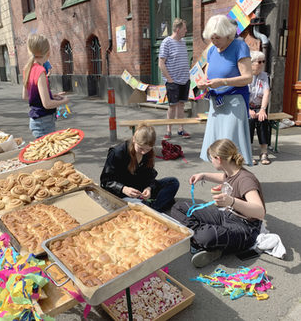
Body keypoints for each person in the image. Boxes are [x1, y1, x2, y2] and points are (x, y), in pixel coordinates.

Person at [171, 139, 265, 268]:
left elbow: (260, 212)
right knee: (179, 207)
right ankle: (204, 240)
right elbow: (223, 178)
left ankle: (203, 239)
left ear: (218, 159)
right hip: (226, 216)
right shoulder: (231, 171)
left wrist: (231, 201)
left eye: (211, 159)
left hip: (245, 228)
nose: (211, 161)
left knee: (207, 236)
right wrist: (203, 175)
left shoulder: (246, 180)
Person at [197, 14, 253, 166]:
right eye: (212, 38)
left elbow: (248, 78)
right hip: (216, 104)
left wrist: (223, 81)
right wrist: (204, 83)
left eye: (217, 38)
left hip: (234, 103)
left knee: (231, 144)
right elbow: (207, 76)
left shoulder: (239, 46)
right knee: (217, 146)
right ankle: (225, 180)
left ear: (228, 34)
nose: (214, 42)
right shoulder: (212, 51)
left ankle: (234, 182)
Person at [100, 124, 179, 212]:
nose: (143, 152)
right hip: (121, 192)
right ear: (134, 139)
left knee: (173, 182)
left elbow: (150, 175)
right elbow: (105, 181)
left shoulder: (148, 153)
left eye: (147, 149)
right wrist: (123, 188)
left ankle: (152, 207)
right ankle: (154, 206)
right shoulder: (118, 152)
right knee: (166, 200)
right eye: (140, 148)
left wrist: (149, 188)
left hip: (138, 189)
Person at [22, 34, 68, 138]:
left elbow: (26, 96)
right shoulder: (40, 71)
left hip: (36, 121)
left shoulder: (27, 68)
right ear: (48, 53)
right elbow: (47, 104)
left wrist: (51, 95)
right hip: (44, 122)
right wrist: (64, 101)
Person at [159, 18, 191, 140]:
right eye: (184, 29)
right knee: (172, 105)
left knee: (181, 105)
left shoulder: (182, 42)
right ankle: (168, 130)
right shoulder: (166, 42)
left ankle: (181, 129)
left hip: (184, 79)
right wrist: (169, 79)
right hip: (173, 81)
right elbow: (161, 63)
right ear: (178, 30)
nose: (186, 31)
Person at [248, 51, 271, 165]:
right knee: (250, 120)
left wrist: (263, 109)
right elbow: (241, 95)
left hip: (259, 106)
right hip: (246, 107)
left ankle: (264, 152)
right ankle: (249, 152)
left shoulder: (264, 76)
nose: (262, 64)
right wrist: (248, 110)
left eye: (263, 61)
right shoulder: (245, 75)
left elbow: (266, 93)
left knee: (263, 119)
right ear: (251, 63)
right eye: (259, 62)